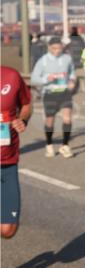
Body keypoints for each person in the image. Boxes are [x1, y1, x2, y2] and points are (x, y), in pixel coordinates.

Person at [30, 37, 76, 158]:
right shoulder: (43, 61)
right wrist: (46, 79)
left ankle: (65, 145)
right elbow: (34, 79)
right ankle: (49, 144)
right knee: (50, 121)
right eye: (54, 48)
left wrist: (72, 80)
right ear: (49, 47)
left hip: (64, 93)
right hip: (50, 94)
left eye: (59, 48)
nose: (57, 50)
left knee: (67, 119)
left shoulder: (67, 58)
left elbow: (72, 71)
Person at [1, 65, 33, 239]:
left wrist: (22, 120)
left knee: (8, 231)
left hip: (7, 162)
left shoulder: (11, 76)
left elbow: (27, 105)